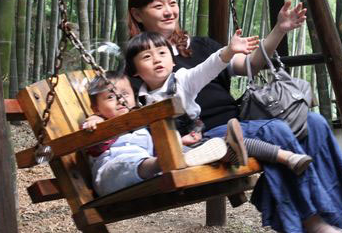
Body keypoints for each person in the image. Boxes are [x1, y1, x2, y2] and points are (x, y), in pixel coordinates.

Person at [127, 0, 342, 233]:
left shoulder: (200, 46)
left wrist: (279, 29)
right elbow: (124, 106)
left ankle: (338, 227)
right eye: (157, 5)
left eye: (172, 3)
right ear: (138, 14)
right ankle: (316, 227)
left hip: (241, 119)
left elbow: (251, 64)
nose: (168, 11)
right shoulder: (139, 60)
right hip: (203, 135)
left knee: (313, 122)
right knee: (275, 131)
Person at [124, 30, 314, 174]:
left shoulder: (183, 80)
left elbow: (208, 68)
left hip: (201, 136)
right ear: (134, 71)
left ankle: (287, 157)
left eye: (162, 53)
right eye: (147, 57)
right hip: (178, 149)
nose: (157, 59)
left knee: (233, 143)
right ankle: (223, 151)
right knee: (224, 145)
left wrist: (229, 51)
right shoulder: (139, 102)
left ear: (173, 61)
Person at [85, 72, 234, 196]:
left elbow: (155, 148)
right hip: (109, 176)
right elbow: (94, 146)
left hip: (148, 170)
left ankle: (221, 153)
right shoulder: (99, 124)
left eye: (124, 94)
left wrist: (180, 142)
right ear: (96, 108)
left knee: (173, 152)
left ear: (134, 97)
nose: (119, 100)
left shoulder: (141, 124)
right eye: (110, 97)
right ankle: (166, 161)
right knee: (125, 164)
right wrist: (95, 121)